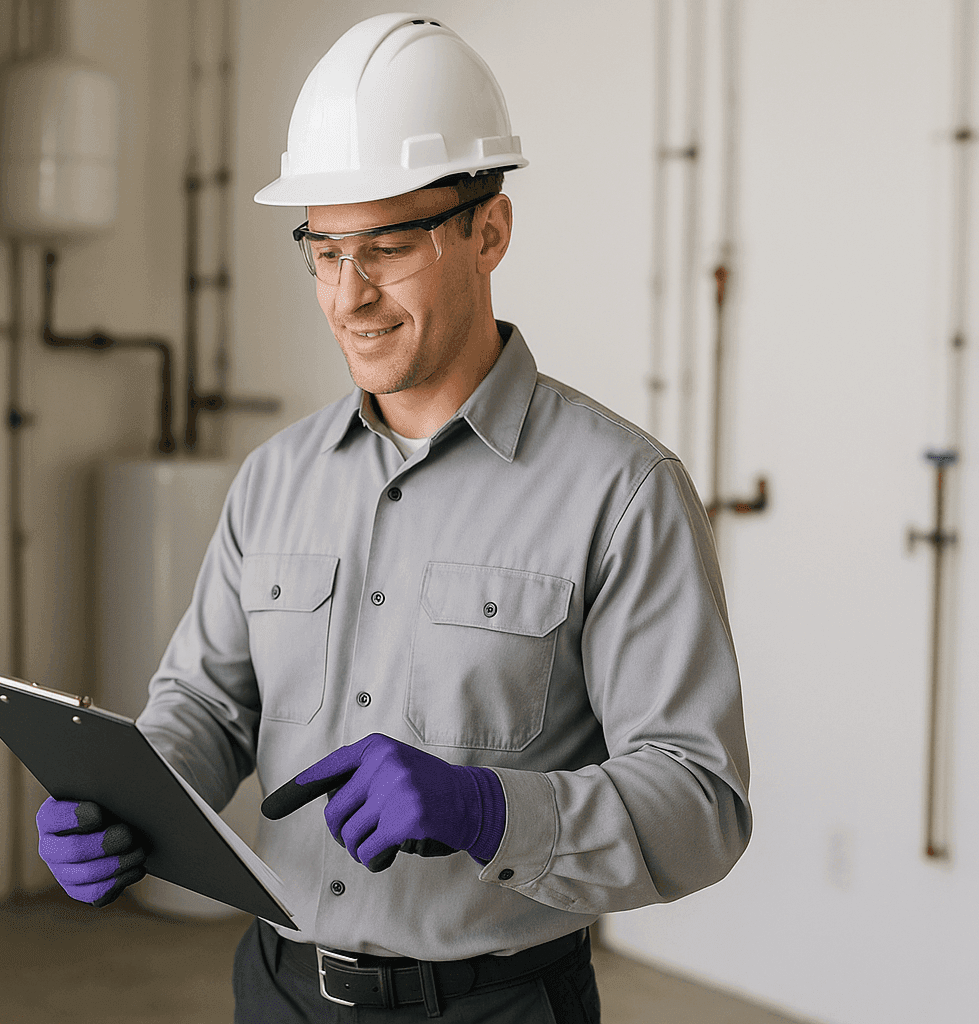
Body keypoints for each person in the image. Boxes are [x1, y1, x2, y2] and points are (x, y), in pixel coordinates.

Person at [36, 13, 750, 1023]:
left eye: (387, 248)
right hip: (279, 991)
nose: (348, 295)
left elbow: (701, 805)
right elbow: (205, 706)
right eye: (324, 251)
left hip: (495, 1005)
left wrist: (485, 807)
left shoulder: (622, 490)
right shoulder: (276, 478)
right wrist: (125, 804)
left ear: (488, 231)